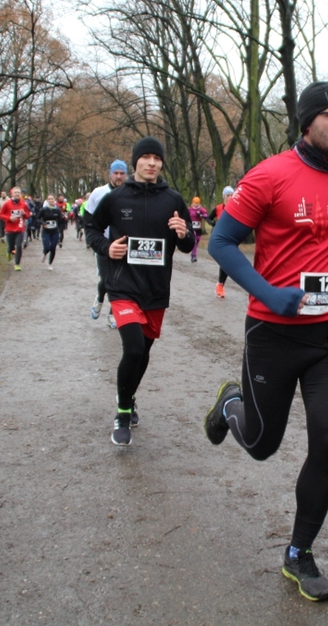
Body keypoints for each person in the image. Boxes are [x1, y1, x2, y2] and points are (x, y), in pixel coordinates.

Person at [203, 81, 328, 602]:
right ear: (308, 121)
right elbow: (221, 243)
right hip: (273, 334)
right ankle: (230, 404)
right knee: (262, 445)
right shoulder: (268, 175)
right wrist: (268, 293)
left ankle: (299, 552)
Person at [85, 137, 194, 446]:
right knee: (132, 348)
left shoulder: (173, 199)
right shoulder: (116, 198)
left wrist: (184, 235)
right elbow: (91, 228)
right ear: (136, 162)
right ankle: (122, 413)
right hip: (123, 286)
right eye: (145, 157)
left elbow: (187, 245)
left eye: (156, 158)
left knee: (143, 353)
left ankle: (129, 395)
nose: (152, 163)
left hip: (156, 289)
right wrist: (107, 247)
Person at [87, 160, 128, 328]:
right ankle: (99, 298)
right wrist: (93, 240)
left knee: (120, 282)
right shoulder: (99, 193)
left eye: (122, 173)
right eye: (115, 173)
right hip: (104, 245)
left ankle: (113, 314)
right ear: (110, 174)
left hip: (124, 245)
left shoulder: (131, 193)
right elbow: (88, 219)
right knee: (106, 280)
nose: (118, 177)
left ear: (126, 175)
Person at [206, 185, 234, 297]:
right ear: (223, 196)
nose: (230, 197)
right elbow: (208, 218)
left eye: (232, 195)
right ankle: (220, 285)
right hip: (219, 239)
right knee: (225, 261)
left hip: (231, 239)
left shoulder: (237, 208)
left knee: (227, 263)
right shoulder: (218, 208)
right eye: (228, 195)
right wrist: (213, 223)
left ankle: (220, 284)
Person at [0, 187, 30, 271]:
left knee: (19, 246)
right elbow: (1, 214)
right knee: (11, 247)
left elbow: (27, 215)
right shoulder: (7, 203)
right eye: (15, 192)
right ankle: (9, 252)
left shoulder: (24, 203)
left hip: (20, 229)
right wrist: (9, 218)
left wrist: (24, 213)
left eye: (18, 192)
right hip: (10, 229)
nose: (17, 194)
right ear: (11, 194)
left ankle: (17, 264)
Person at [37, 194, 62, 270]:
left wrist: (60, 229)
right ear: (47, 200)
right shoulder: (44, 209)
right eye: (49, 199)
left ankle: (50, 264)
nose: (51, 200)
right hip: (46, 231)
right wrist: (43, 223)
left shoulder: (57, 210)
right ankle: (45, 253)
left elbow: (60, 221)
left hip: (55, 231)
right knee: (47, 247)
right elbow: (37, 218)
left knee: (53, 247)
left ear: (54, 200)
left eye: (52, 199)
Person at [187, 197, 209, 262]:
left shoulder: (201, 209)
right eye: (195, 203)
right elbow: (185, 216)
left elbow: (206, 215)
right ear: (192, 203)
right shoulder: (189, 209)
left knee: (197, 241)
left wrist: (201, 215)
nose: (196, 204)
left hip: (199, 228)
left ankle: (192, 253)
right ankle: (194, 256)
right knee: (194, 242)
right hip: (192, 227)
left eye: (197, 203)